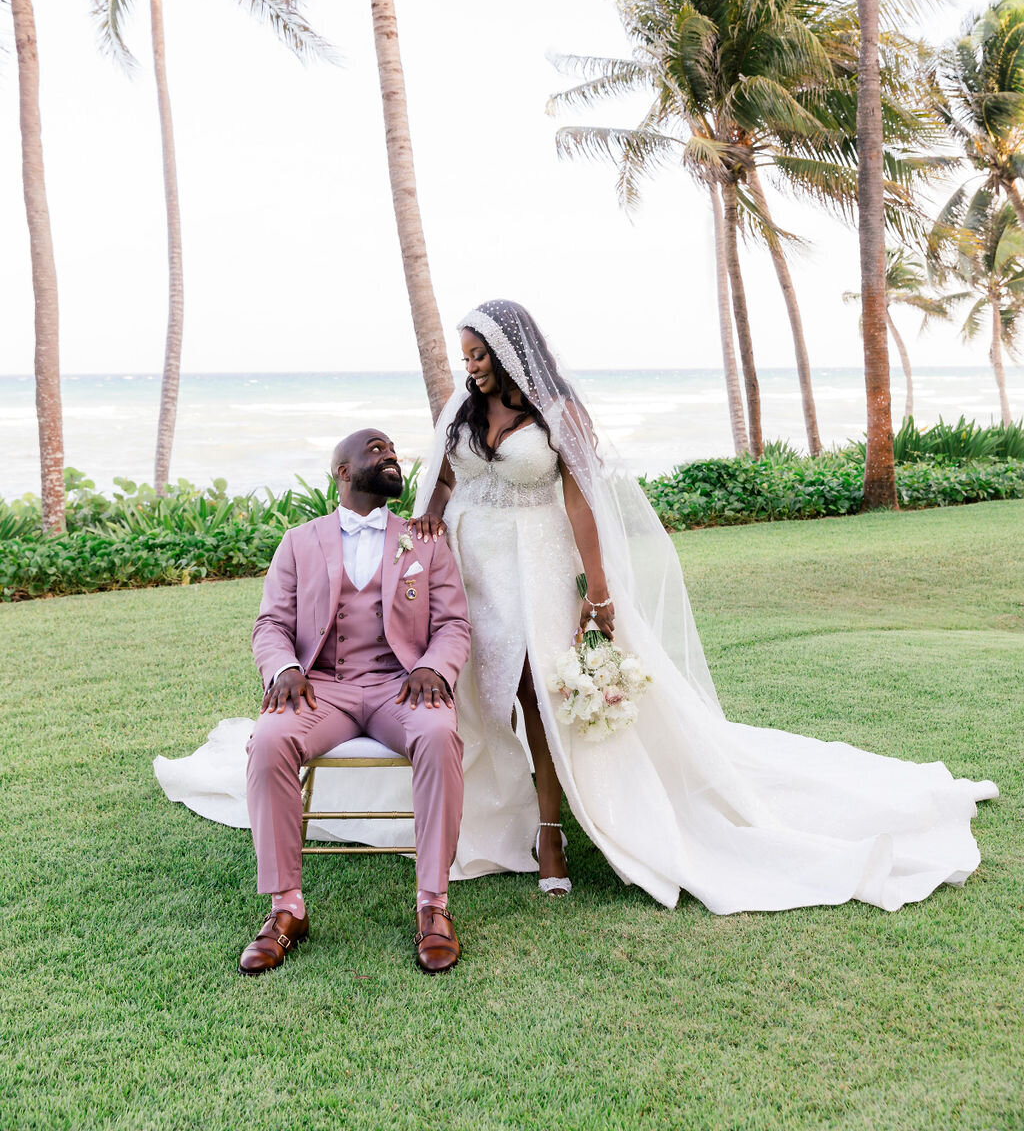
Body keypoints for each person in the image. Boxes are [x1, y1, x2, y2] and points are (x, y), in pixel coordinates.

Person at [412, 299, 998, 913]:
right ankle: (485, 813)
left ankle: (550, 834)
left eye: (478, 355)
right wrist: (428, 516)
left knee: (539, 692)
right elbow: (446, 478)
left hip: (536, 563)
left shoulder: (559, 413)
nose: (470, 367)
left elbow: (583, 503)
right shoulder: (463, 407)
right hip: (470, 564)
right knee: (475, 691)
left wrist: (599, 588)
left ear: (510, 351)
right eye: (466, 356)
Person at [240, 427, 470, 974]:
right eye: (375, 450)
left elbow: (455, 623)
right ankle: (286, 907)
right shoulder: (299, 541)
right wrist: (287, 668)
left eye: (392, 449)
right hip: (324, 688)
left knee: (439, 735)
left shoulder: (424, 540)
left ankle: (433, 905)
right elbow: (270, 623)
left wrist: (432, 667)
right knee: (269, 740)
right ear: (343, 473)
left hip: (401, 685)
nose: (389, 455)